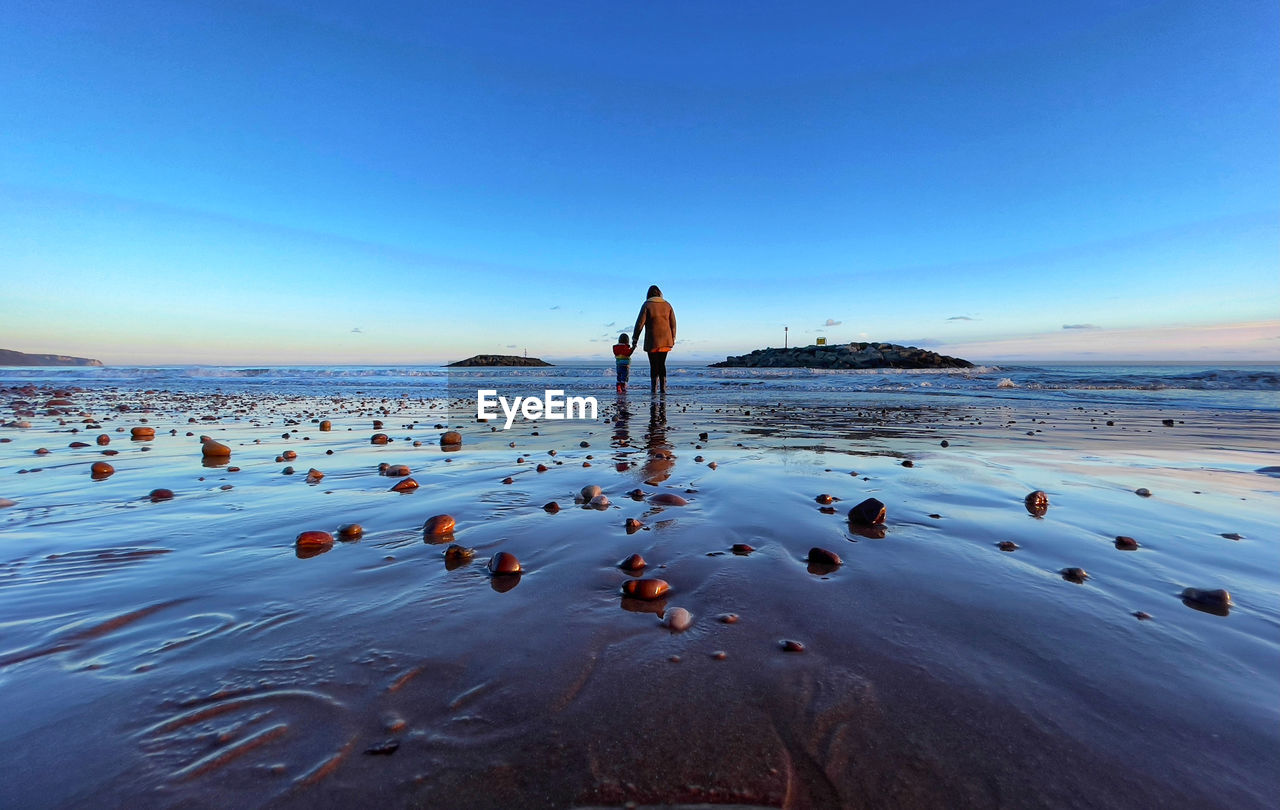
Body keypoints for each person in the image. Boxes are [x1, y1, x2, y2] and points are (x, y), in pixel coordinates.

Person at [631, 284, 676, 393]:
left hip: (652, 341)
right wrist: (673, 337)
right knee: (662, 364)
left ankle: (654, 389)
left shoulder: (647, 305)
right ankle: (663, 389)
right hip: (666, 341)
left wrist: (635, 339)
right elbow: (673, 323)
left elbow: (639, 324)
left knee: (653, 364)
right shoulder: (667, 305)